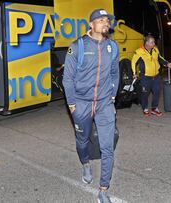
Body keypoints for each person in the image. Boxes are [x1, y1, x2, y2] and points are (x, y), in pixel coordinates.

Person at [63, 9, 119, 203]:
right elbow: (67, 79)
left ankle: (103, 189)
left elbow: (114, 73)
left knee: (108, 146)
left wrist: (112, 98)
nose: (106, 23)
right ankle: (85, 163)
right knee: (82, 141)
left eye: (107, 20)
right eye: (101, 20)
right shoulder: (77, 47)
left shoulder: (112, 47)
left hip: (104, 103)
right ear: (91, 24)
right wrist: (72, 105)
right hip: (81, 103)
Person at [131, 34, 171, 116]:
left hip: (156, 76)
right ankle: (145, 108)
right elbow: (133, 62)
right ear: (146, 43)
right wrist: (134, 73)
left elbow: (160, 58)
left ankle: (154, 108)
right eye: (152, 42)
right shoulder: (139, 51)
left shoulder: (155, 49)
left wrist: (167, 63)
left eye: (154, 42)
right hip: (145, 77)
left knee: (157, 92)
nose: (154, 43)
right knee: (145, 94)